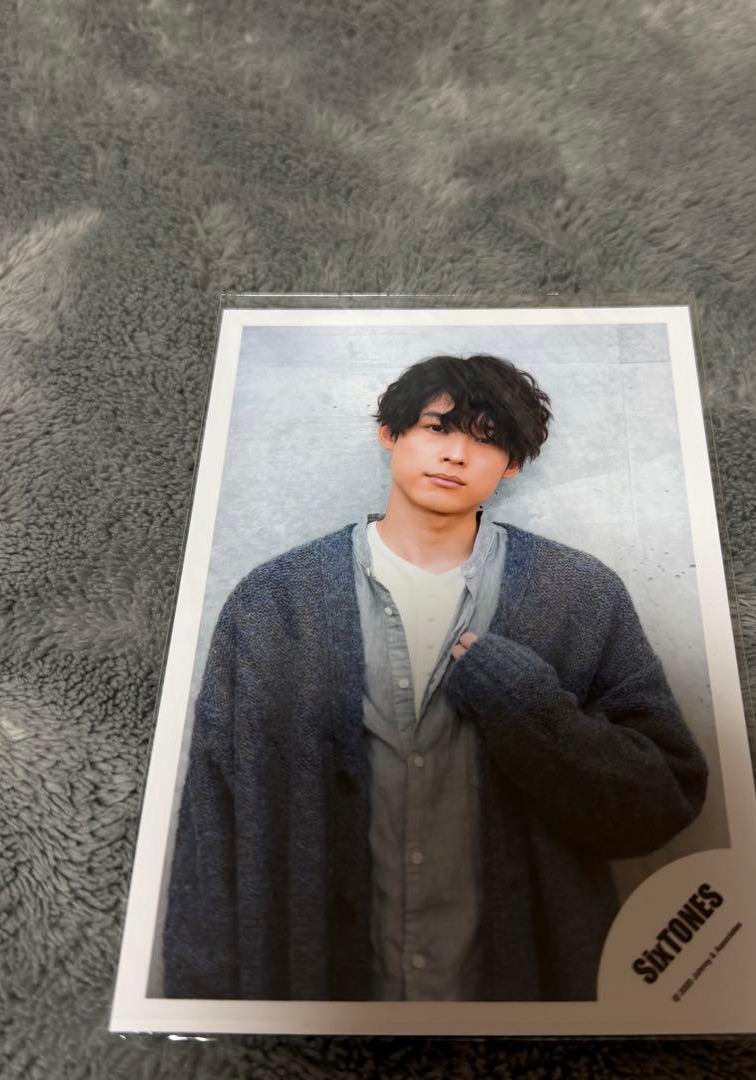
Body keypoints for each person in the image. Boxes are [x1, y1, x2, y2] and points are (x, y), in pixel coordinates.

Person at [163, 353, 708, 1002]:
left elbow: (659, 805)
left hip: (521, 1010)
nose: (455, 454)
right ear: (389, 434)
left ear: (512, 464)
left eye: (487, 438)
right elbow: (212, 821)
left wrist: (526, 706)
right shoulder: (275, 603)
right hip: (324, 1008)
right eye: (436, 428)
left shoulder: (578, 596)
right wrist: (206, 1015)